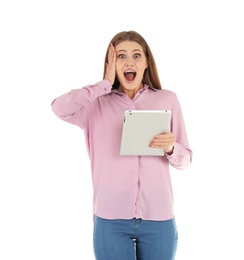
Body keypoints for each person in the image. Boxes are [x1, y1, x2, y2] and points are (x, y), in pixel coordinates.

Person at [51, 30, 192, 260]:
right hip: (110, 221)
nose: (129, 61)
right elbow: (59, 108)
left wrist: (171, 147)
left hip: (159, 220)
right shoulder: (94, 104)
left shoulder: (168, 99)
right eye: (121, 56)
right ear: (111, 63)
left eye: (137, 55)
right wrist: (103, 85)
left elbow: (186, 159)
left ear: (146, 62)